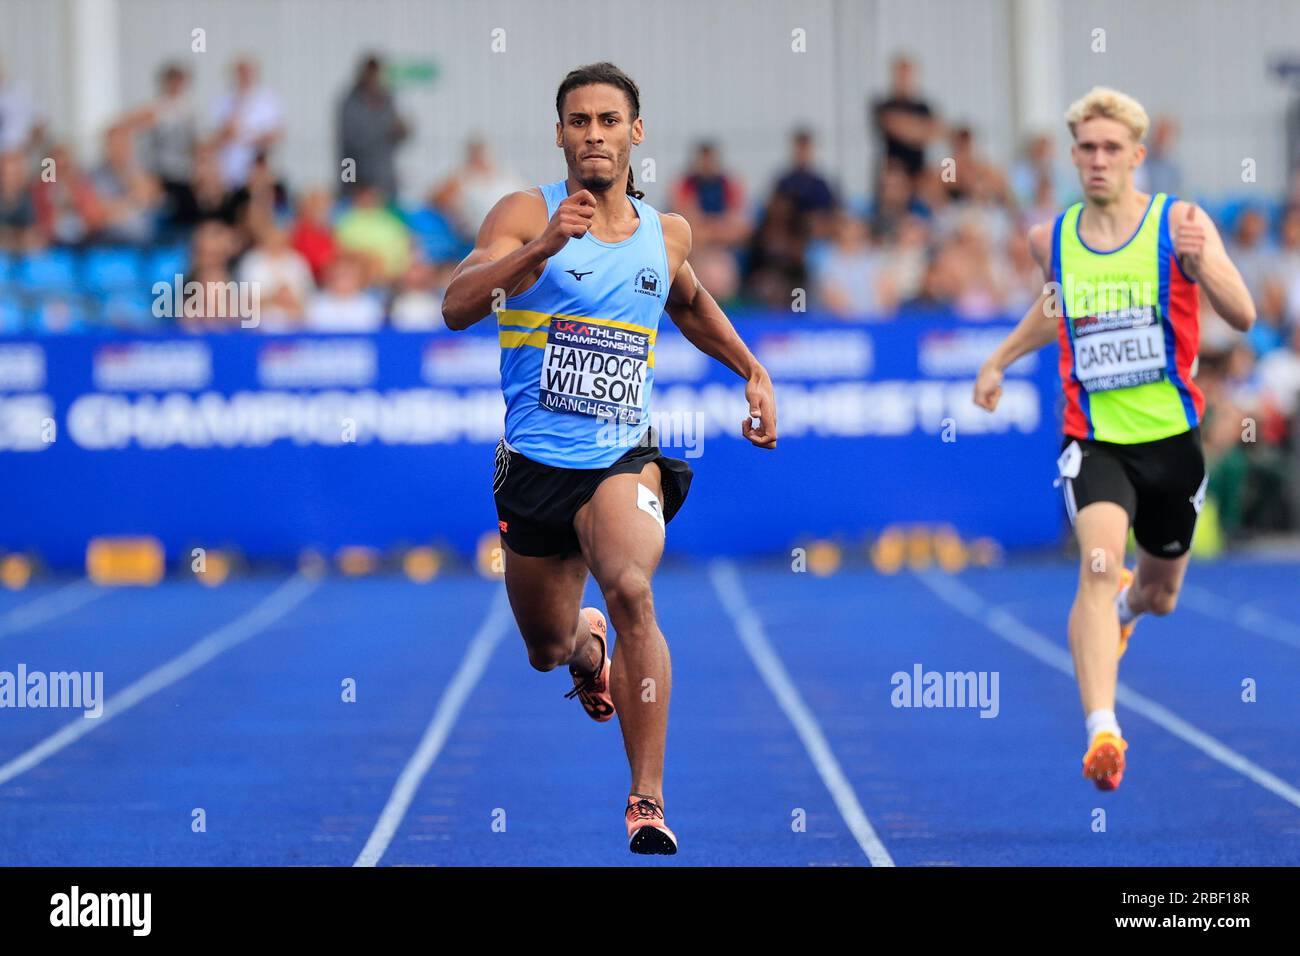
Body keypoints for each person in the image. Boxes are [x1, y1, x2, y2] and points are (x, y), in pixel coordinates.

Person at [441, 62, 778, 854]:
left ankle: (647, 800)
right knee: (545, 648)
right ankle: (587, 652)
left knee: (632, 586)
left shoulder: (667, 234)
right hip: (533, 467)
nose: (595, 133)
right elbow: (457, 305)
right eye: (580, 120)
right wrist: (541, 249)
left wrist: (753, 371)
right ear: (559, 133)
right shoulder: (526, 212)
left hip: (623, 455)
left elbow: (689, 303)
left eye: (609, 120)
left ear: (636, 132)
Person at [973, 87, 1255, 791]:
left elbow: (1244, 314)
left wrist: (1204, 263)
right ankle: (1104, 729)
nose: (1098, 160)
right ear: (1073, 157)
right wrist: (998, 360)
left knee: (1160, 595)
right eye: (1086, 149)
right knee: (1097, 566)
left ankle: (1131, 609)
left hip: (1172, 443)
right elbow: (1053, 309)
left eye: (1111, 149)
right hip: (1095, 443)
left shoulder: (1180, 222)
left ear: (1137, 155)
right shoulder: (1052, 238)